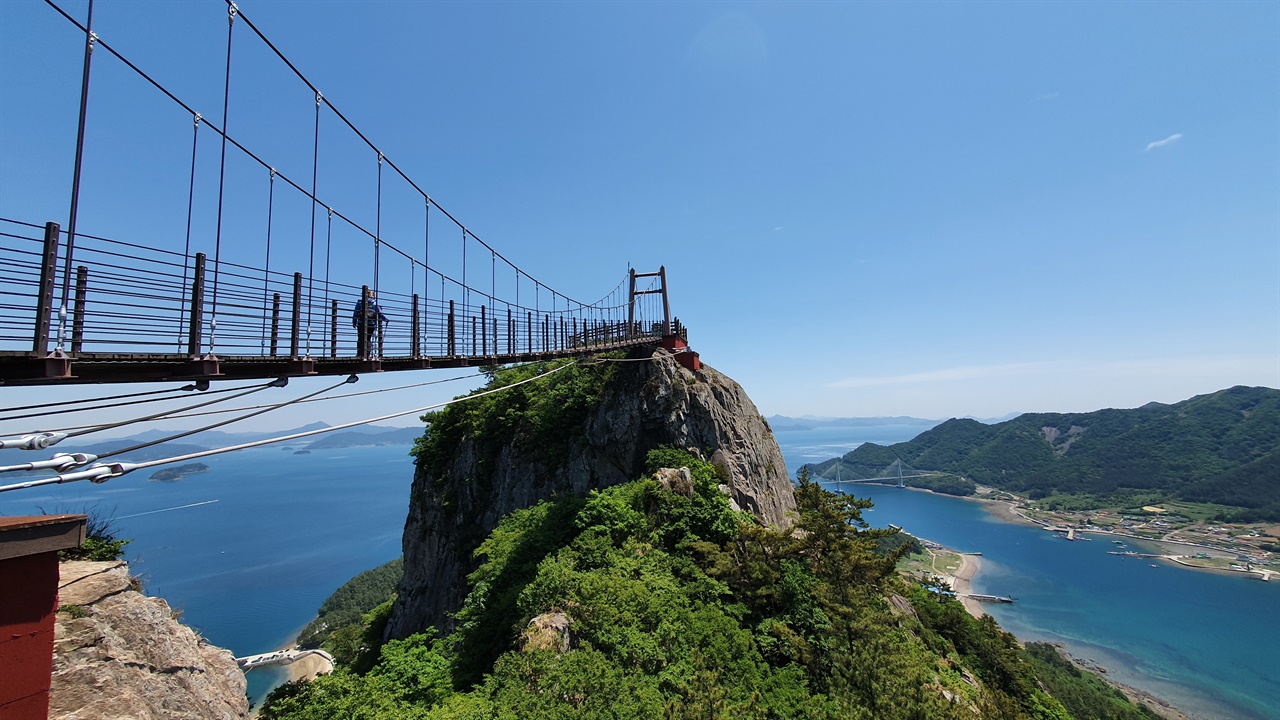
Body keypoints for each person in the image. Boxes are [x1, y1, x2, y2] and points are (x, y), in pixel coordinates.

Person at [352, 287, 387, 358]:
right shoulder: (374, 303)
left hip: (361, 323)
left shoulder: (360, 302)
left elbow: (356, 313)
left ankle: (359, 354)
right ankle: (367, 354)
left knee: (360, 338)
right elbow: (380, 313)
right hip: (371, 324)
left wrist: (354, 322)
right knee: (368, 339)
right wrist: (386, 320)